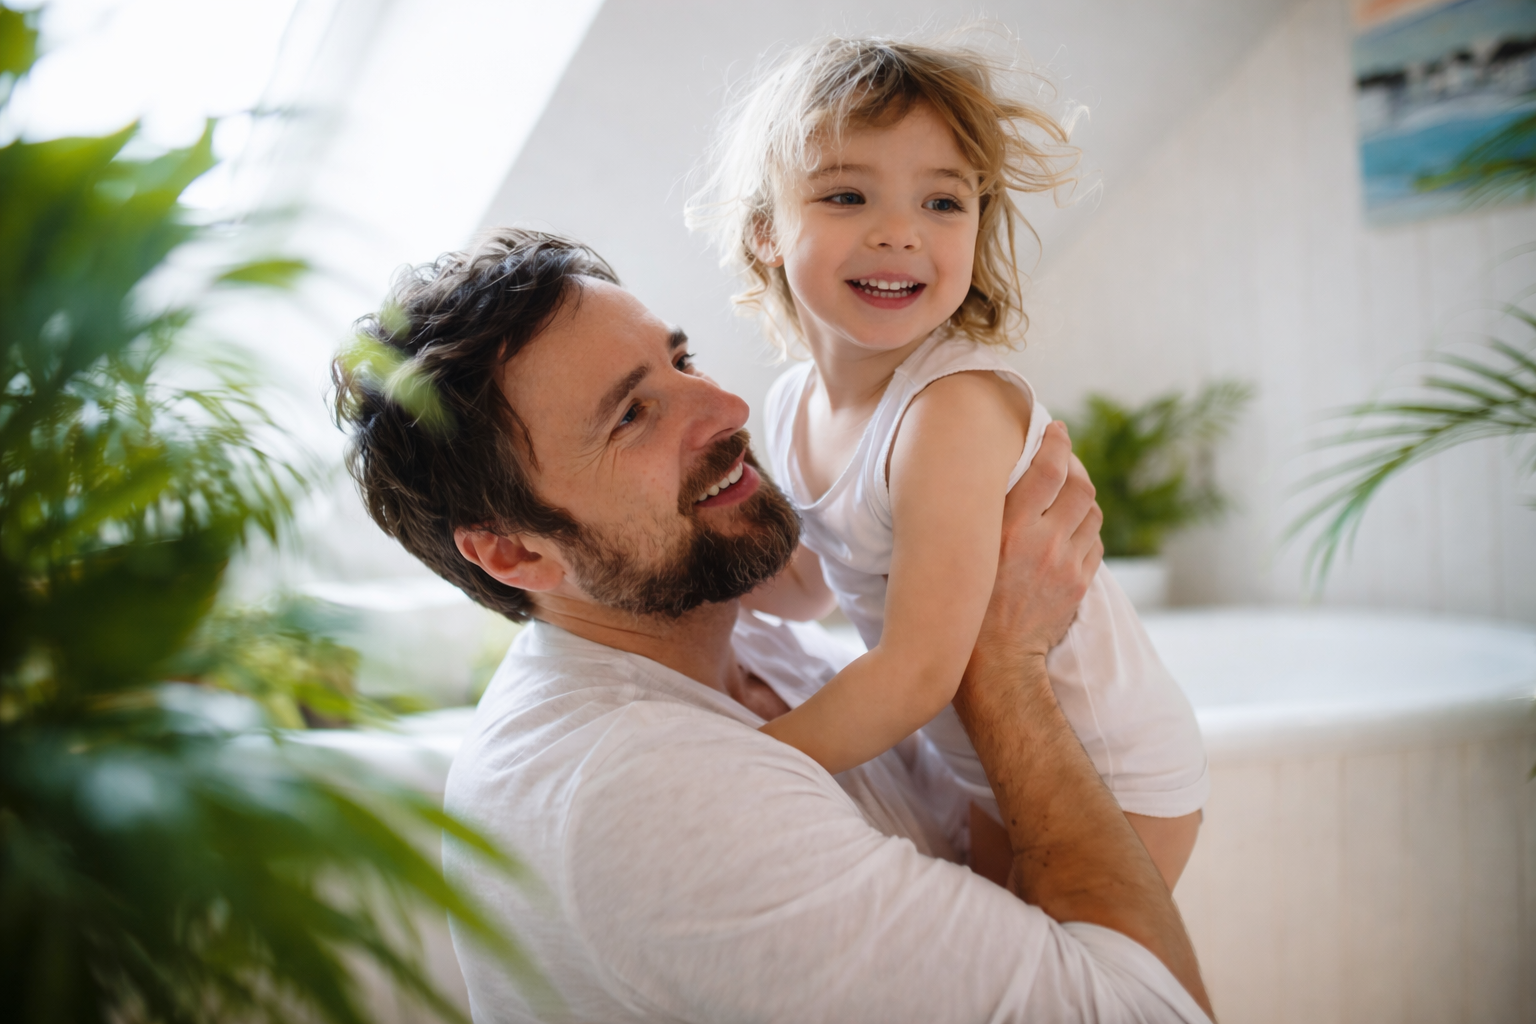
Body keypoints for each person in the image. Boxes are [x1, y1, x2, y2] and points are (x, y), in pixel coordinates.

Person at [333, 229, 1213, 1022]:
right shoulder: (640, 798)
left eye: (682, 360)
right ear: (516, 556)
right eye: (633, 414)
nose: (725, 409)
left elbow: (986, 877)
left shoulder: (740, 642)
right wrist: (1005, 665)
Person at [686, 36, 1207, 885]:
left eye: (942, 203)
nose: (900, 233)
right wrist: (683, 566)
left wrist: (742, 768)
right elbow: (812, 584)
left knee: (1073, 996)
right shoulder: (788, 406)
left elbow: (919, 670)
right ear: (765, 233)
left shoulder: (949, 411)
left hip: (1111, 771)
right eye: (849, 195)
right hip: (988, 766)